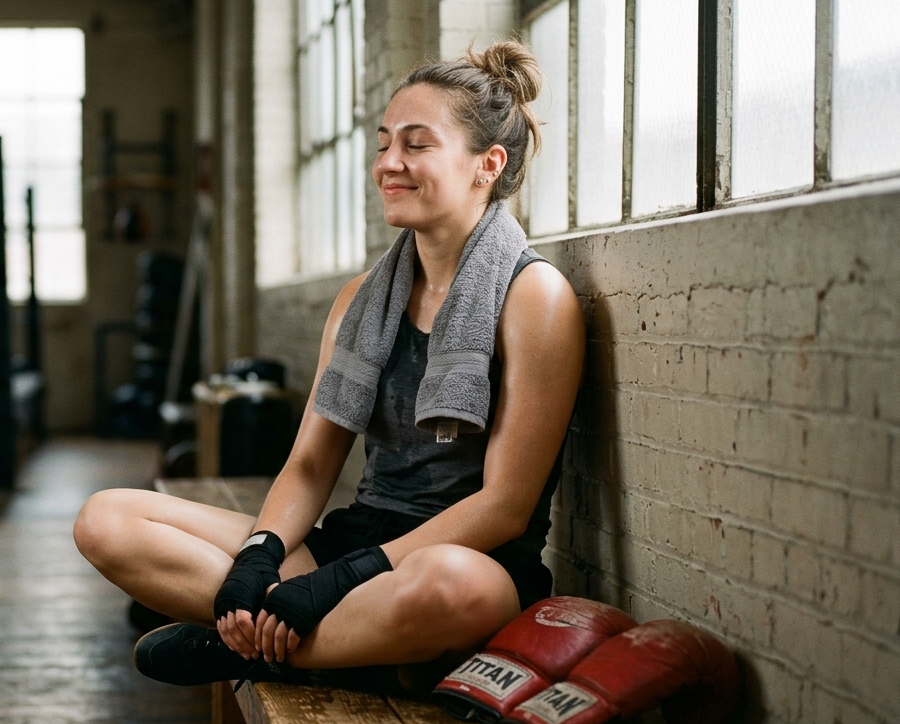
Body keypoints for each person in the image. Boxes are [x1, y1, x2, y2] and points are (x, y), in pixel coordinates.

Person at [73, 41, 585, 689]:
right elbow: (312, 463)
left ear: (488, 164)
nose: (388, 164)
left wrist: (335, 583)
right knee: (108, 519)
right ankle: (351, 652)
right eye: (383, 144)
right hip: (346, 546)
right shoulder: (361, 299)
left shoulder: (533, 296)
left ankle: (242, 650)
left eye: (416, 145)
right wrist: (261, 557)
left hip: (455, 563)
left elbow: (505, 508)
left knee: (456, 588)